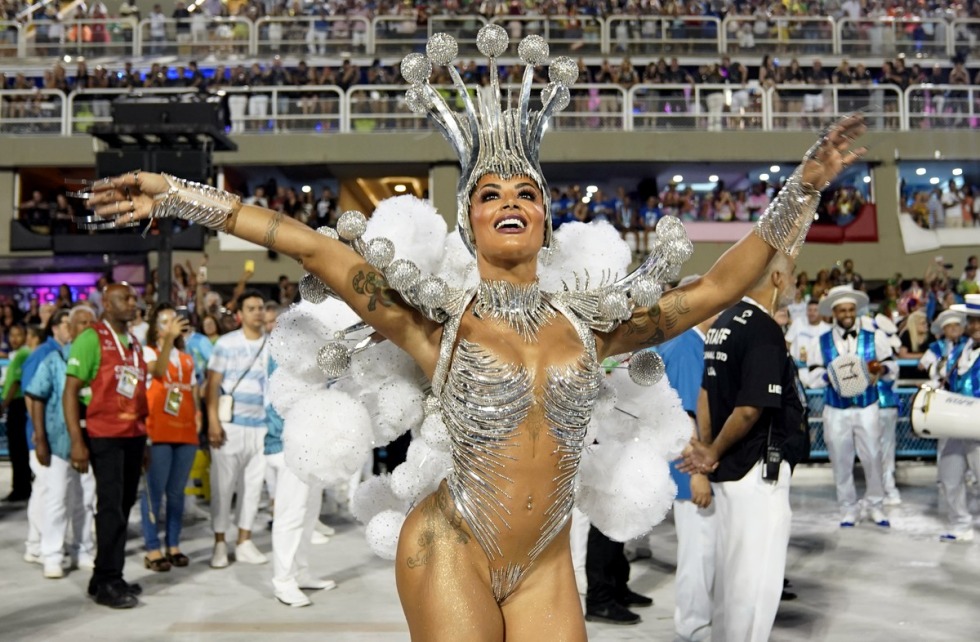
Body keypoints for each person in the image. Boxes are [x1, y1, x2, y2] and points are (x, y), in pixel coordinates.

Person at [83, 26, 865, 639]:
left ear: (546, 218)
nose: (509, 199)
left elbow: (724, 283)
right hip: (451, 545)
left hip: (547, 559)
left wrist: (802, 186)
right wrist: (175, 195)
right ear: (472, 221)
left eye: (526, 190)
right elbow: (305, 241)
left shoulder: (597, 327)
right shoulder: (433, 322)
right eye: (489, 194)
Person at [680, 254, 807, 642]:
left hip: (733, 472)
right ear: (776, 276)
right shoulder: (763, 328)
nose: (796, 285)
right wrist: (712, 449)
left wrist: (707, 447)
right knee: (754, 585)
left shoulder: (722, 323)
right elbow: (750, 408)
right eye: (794, 276)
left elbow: (704, 393)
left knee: (732, 577)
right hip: (756, 472)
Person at [64, 283, 149, 609]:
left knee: (124, 505)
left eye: (133, 297)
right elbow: (70, 391)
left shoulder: (134, 342)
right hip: (105, 436)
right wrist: (77, 441)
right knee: (111, 507)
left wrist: (145, 441)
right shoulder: (90, 339)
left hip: (133, 435)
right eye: (125, 299)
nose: (133, 302)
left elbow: (138, 394)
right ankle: (109, 583)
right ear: (107, 306)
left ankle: (104, 576)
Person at [805, 285, 897, 528]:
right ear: (834, 312)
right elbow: (811, 375)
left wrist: (881, 369)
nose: (847, 314)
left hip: (868, 406)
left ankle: (876, 505)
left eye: (850, 310)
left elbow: (891, 367)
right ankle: (847, 507)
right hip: (835, 409)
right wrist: (830, 376)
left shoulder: (874, 336)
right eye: (842, 310)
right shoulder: (820, 341)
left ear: (856, 311)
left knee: (874, 456)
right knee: (840, 459)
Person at [655, 297, 717, 642]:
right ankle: (694, 625)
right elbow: (688, 416)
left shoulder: (688, 342)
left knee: (702, 549)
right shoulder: (686, 346)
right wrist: (698, 473)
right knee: (699, 550)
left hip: (691, 462)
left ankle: (698, 621)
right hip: (690, 464)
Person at [25, 306, 97, 579]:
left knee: (86, 500)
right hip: (57, 443)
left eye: (91, 322)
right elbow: (35, 396)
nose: (85, 327)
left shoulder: (99, 363)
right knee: (56, 500)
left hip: (91, 442)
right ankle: (51, 553)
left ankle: (83, 549)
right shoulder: (54, 360)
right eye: (79, 323)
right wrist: (40, 437)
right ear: (69, 329)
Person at [205, 289, 270, 568]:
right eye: (252, 308)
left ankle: (244, 540)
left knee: (253, 488)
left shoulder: (273, 345)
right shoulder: (226, 344)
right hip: (229, 426)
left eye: (261, 307)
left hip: (261, 427)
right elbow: (211, 387)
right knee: (222, 487)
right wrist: (213, 422)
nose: (258, 312)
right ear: (241, 314)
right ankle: (220, 542)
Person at [139, 304, 200, 572]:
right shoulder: (148, 351)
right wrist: (166, 342)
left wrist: (198, 418)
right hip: (159, 430)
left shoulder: (187, 358)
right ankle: (152, 548)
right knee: (154, 492)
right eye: (164, 322)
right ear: (154, 328)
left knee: (177, 493)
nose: (170, 326)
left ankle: (173, 544)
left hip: (185, 430)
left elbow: (193, 391)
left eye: (173, 321)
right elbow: (159, 372)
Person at [936, 294, 980, 541]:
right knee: (950, 475)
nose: (975, 326)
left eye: (979, 321)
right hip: (955, 423)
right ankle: (960, 524)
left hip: (978, 425)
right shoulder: (961, 348)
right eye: (972, 321)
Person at [3, 324, 42, 502]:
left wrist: (4, 405)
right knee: (17, 449)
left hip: (18, 405)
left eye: (19, 335)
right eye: (11, 335)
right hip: (16, 405)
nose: (14, 339)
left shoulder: (24, 354)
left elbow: (15, 383)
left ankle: (21, 487)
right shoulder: (18, 355)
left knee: (18, 449)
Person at [784, 299, 830, 370]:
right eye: (810, 310)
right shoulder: (798, 322)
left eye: (815, 310)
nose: (812, 313)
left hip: (819, 370)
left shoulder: (827, 329)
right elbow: (787, 342)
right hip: (797, 368)